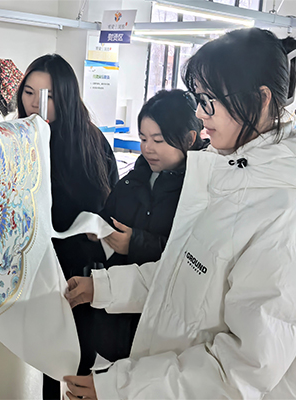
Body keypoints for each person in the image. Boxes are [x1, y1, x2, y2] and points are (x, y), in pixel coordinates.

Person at [65, 28, 296, 400]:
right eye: (199, 99)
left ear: (261, 98)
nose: (200, 114)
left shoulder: (285, 214)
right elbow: (182, 275)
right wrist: (103, 287)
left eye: (209, 100)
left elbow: (244, 368)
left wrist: (120, 388)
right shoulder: (224, 174)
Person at [16, 53, 119, 399]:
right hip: (31, 271)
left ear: (67, 97)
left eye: (47, 95)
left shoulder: (90, 142)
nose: (35, 104)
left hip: (77, 274)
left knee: (76, 361)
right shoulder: (15, 141)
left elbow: (109, 205)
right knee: (38, 361)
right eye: (28, 92)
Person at [89, 89, 204, 364]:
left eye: (158, 140)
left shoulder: (199, 190)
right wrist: (98, 229)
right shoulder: (135, 178)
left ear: (190, 139)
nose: (147, 148)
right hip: (115, 314)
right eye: (143, 138)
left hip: (160, 322)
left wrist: (135, 243)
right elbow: (109, 214)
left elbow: (193, 258)